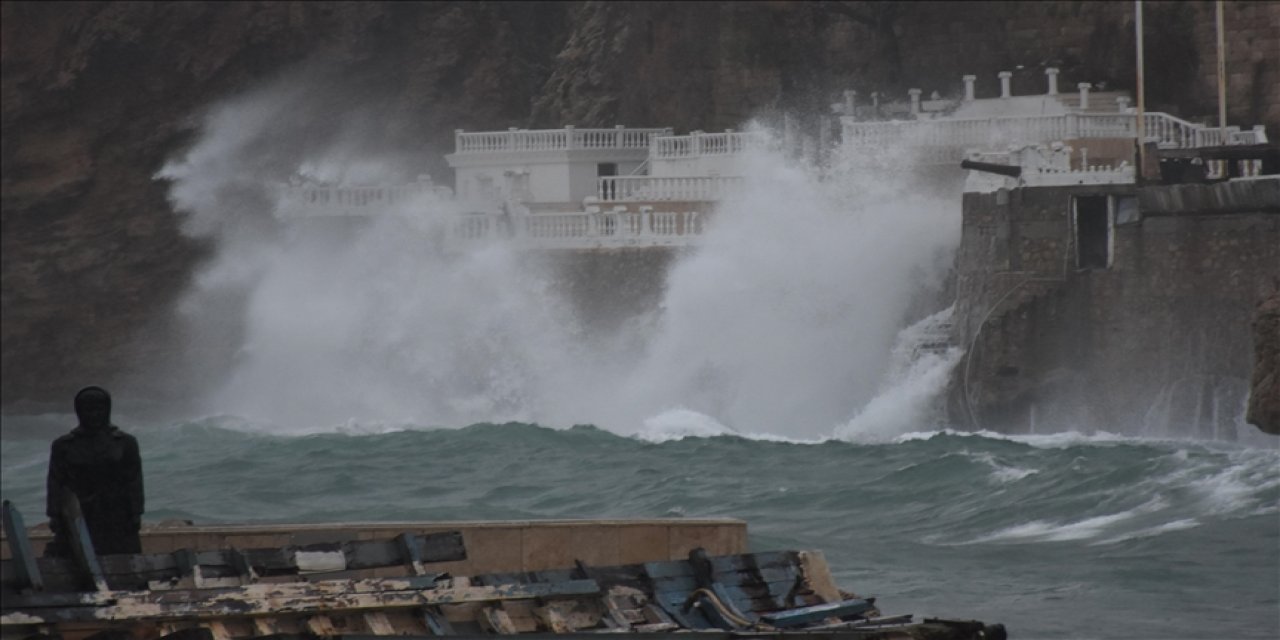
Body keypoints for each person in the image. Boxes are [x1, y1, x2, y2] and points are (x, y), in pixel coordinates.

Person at [44, 386, 144, 557]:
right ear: (79, 411)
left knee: (122, 558)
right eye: (88, 410)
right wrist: (54, 514)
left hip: (116, 514)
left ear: (107, 410)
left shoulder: (125, 442)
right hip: (80, 513)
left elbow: (134, 481)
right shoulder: (64, 445)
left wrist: (136, 512)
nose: (94, 415)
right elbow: (55, 482)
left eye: (99, 409)